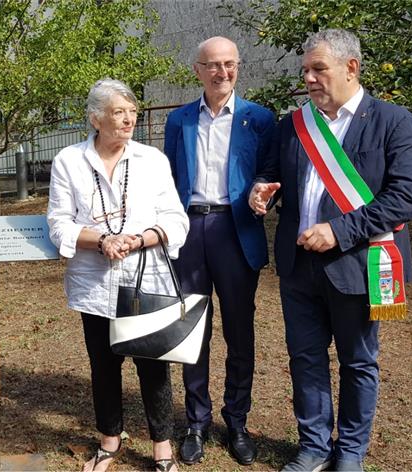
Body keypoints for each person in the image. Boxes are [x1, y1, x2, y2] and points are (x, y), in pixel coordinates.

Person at [249, 29, 412, 472]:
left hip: (358, 263)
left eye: (318, 69)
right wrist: (262, 191)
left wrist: (340, 231)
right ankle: (312, 446)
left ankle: (350, 453)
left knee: (357, 361)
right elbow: (271, 172)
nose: (308, 78)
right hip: (298, 266)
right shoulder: (293, 125)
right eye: (305, 70)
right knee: (305, 359)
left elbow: (405, 198)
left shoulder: (395, 122)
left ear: (351, 67)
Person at [47, 79, 189, 472]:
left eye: (132, 112)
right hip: (94, 283)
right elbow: (58, 224)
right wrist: (102, 240)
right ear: (96, 118)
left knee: (152, 364)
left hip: (146, 278)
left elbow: (176, 221)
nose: (128, 120)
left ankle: (162, 447)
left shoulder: (152, 160)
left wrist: (139, 240)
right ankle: (110, 441)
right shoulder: (69, 161)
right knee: (104, 365)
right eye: (118, 112)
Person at [163, 36, 275, 466]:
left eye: (229, 64)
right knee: (193, 330)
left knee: (239, 331)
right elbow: (168, 177)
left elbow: (269, 170)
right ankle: (196, 421)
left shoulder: (260, 119)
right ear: (197, 70)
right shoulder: (179, 121)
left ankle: (238, 421)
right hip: (190, 228)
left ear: (238, 67)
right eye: (212, 65)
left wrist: (264, 191)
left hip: (236, 227)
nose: (221, 72)